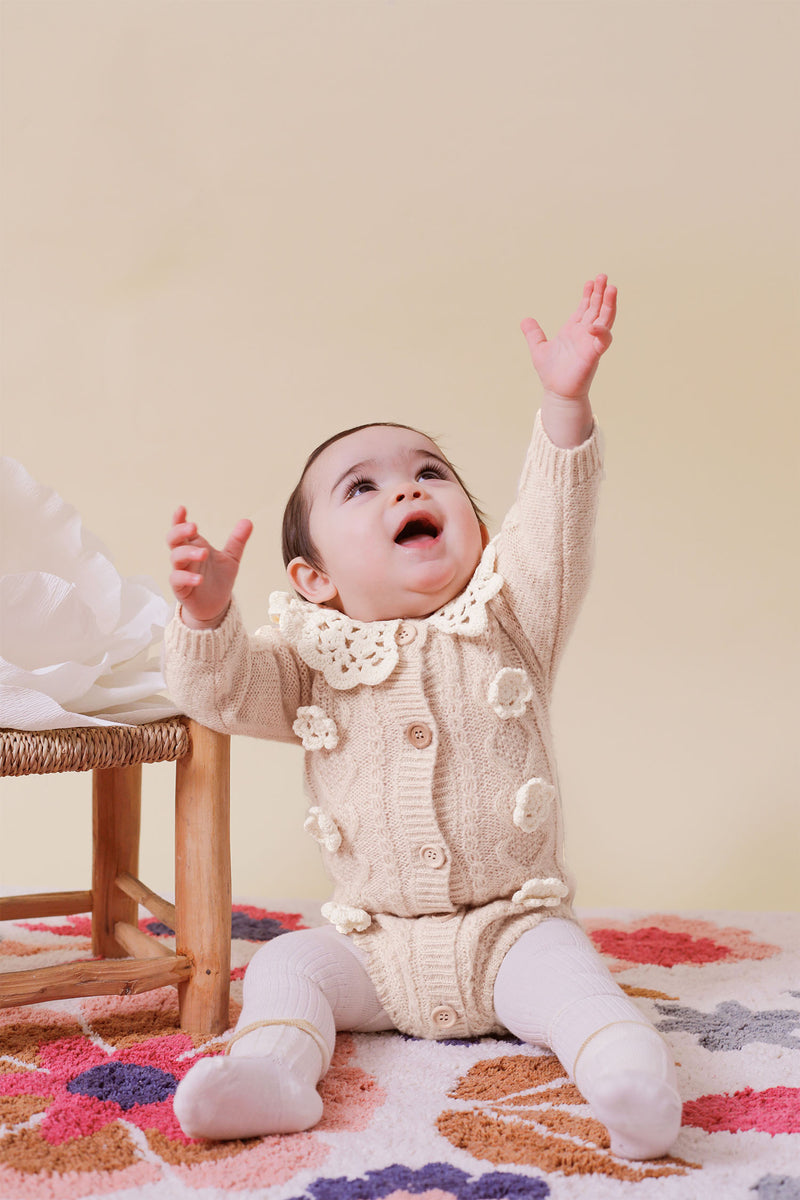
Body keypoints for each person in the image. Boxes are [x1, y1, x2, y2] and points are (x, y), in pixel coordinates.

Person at [164, 276, 682, 1160]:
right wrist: (207, 618)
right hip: (373, 945)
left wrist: (564, 405)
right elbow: (216, 694)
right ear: (315, 578)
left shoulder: (513, 615)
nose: (407, 491)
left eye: (429, 473)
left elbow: (557, 522)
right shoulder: (310, 663)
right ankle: (276, 1071)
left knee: (578, 984)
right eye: (361, 488)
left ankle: (629, 1078)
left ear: (477, 526)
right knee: (287, 967)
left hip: (513, 933)